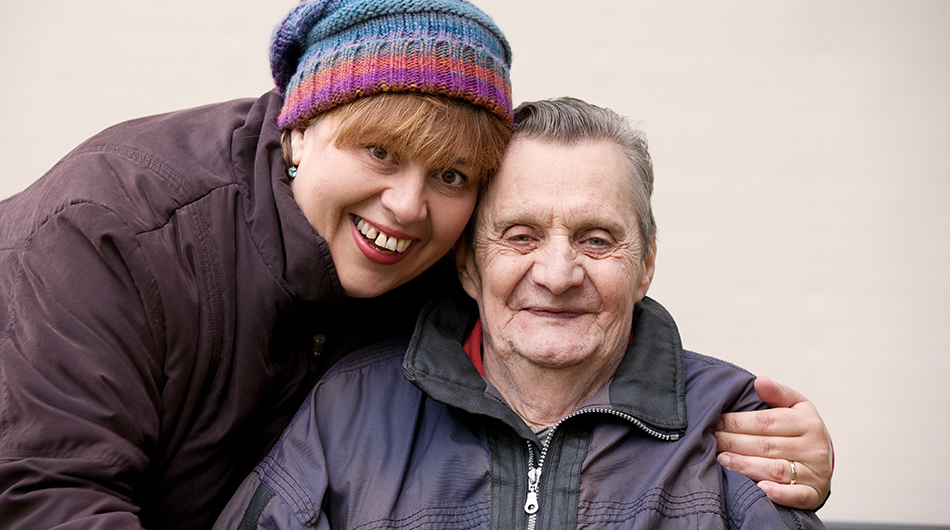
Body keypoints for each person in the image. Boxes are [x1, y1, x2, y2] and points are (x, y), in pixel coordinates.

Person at [0, 1, 828, 529]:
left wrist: (791, 450)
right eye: (379, 151)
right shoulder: (108, 232)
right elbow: (43, 496)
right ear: (298, 127)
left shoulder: (447, 257)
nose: (406, 205)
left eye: (452, 175)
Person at [213, 97, 824, 529]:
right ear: (469, 266)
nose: (557, 276)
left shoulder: (735, 427)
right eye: (521, 237)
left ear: (646, 263)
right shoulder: (347, 410)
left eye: (596, 239)